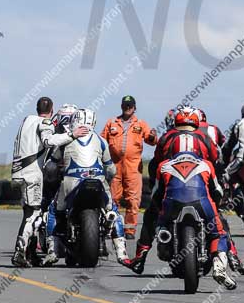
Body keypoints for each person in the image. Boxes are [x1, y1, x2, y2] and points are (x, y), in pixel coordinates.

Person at [131, 107, 220, 272]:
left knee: (151, 213)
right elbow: (216, 160)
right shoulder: (206, 138)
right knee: (217, 215)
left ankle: (140, 256)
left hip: (172, 185)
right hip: (200, 185)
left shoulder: (166, 137)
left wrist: (155, 184)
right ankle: (230, 254)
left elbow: (155, 163)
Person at [45, 108, 131, 266]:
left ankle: (51, 251)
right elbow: (111, 169)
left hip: (71, 182)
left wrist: (54, 174)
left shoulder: (67, 139)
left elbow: (52, 164)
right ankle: (121, 252)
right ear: (94, 122)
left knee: (53, 211)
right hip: (97, 180)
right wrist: (108, 178)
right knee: (114, 211)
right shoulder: (100, 140)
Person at [11, 97, 88, 267]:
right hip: (32, 174)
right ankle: (19, 252)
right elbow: (48, 141)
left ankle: (30, 253)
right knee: (34, 214)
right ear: (52, 111)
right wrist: (72, 135)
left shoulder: (26, 120)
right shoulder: (45, 122)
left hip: (18, 172)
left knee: (27, 214)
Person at [151, 150, 236, 290]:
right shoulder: (206, 164)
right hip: (202, 203)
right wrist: (216, 204)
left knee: (161, 223)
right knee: (219, 234)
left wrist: (160, 210)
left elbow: (156, 193)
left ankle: (163, 235)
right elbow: (217, 191)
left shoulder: (164, 165)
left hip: (172, 204)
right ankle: (219, 267)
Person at [101, 95, 157, 239]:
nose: (128, 108)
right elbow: (101, 141)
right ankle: (112, 228)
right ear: (121, 106)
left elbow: (151, 141)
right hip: (114, 166)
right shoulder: (112, 122)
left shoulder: (141, 124)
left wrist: (152, 136)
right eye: (125, 105)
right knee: (112, 199)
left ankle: (129, 230)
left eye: (130, 106)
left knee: (133, 199)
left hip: (133, 167)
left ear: (134, 108)